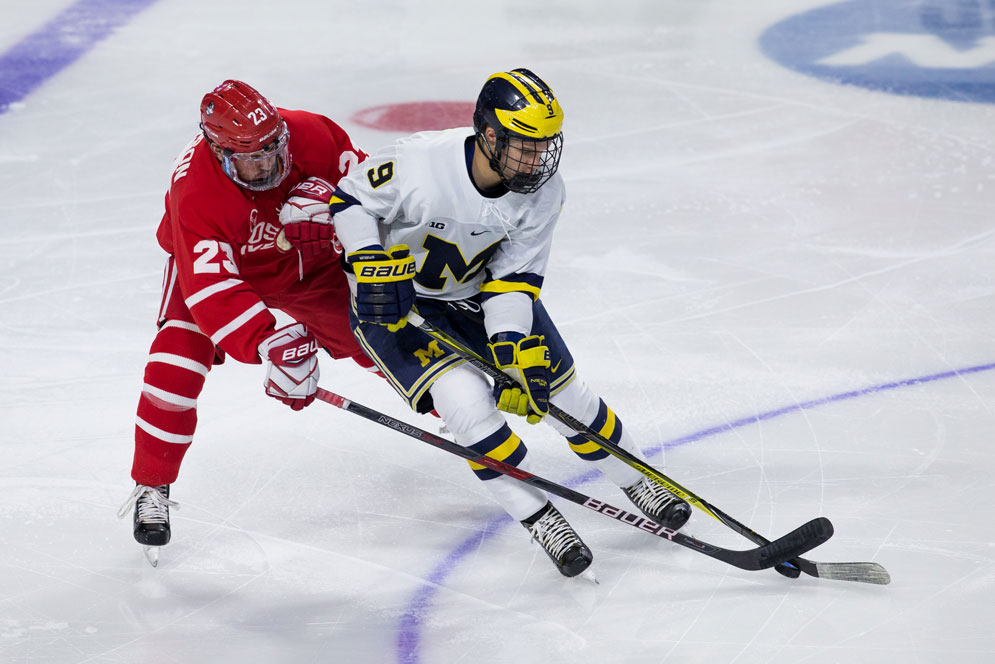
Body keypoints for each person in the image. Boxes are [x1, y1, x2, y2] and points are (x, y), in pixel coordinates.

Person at [324, 68, 692, 577]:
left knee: (567, 399)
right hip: (400, 307)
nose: (539, 160)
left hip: (477, 293)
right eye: (526, 146)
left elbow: (512, 281)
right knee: (469, 410)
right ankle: (541, 518)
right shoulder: (419, 162)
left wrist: (511, 349)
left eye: (546, 147)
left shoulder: (544, 193)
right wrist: (369, 262)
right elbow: (349, 200)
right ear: (489, 135)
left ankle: (636, 479)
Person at [117, 80, 372, 559]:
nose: (263, 166)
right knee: (174, 365)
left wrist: (339, 217)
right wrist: (267, 341)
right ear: (217, 150)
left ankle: (463, 416)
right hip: (220, 271)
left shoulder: (314, 134)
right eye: (247, 159)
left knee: (378, 333)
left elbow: (377, 198)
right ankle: (152, 487)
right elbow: (213, 290)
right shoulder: (195, 190)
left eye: (271, 152)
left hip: (303, 263)